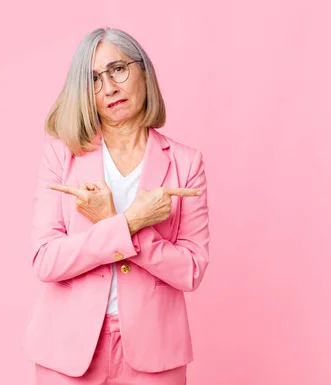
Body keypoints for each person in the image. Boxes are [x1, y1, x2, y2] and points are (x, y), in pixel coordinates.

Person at [21, 27, 211, 385]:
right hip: (66, 351)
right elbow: (45, 260)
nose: (108, 87)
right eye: (93, 79)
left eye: (118, 69)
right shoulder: (62, 155)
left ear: (143, 70)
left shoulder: (186, 162)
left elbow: (191, 270)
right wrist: (131, 222)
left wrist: (117, 225)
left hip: (154, 355)